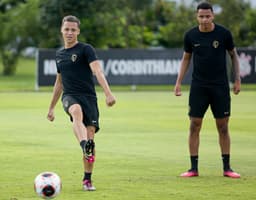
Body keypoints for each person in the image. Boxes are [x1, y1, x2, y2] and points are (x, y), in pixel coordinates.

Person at [47, 15, 116, 190]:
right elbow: (59, 83)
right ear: (61, 30)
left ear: (78, 31)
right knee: (76, 112)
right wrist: (51, 108)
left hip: (90, 99)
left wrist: (108, 94)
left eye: (73, 30)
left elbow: (97, 71)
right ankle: (84, 145)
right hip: (70, 96)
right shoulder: (59, 54)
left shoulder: (86, 49)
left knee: (90, 136)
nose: (69, 32)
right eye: (66, 29)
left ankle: (87, 179)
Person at [174, 2, 241, 178]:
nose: (204, 19)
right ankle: (193, 168)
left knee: (223, 127)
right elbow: (186, 59)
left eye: (207, 16)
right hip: (198, 87)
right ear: (197, 17)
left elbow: (234, 55)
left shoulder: (224, 34)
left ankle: (227, 168)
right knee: (194, 125)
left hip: (220, 87)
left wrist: (237, 78)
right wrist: (178, 82)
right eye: (201, 16)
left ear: (213, 16)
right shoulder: (190, 35)